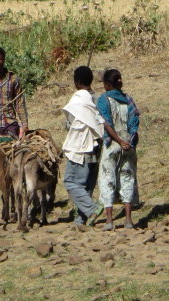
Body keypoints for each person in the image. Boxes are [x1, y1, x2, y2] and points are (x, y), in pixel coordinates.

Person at [96, 69, 140, 231]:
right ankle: (128, 220)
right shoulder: (128, 100)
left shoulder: (103, 100)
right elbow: (134, 122)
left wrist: (119, 141)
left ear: (107, 85)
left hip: (112, 145)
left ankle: (109, 221)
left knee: (107, 180)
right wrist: (128, 141)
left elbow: (106, 124)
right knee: (127, 179)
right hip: (128, 145)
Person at [62, 66, 105, 230]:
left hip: (80, 147)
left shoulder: (78, 100)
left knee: (71, 183)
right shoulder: (97, 99)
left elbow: (70, 123)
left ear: (77, 82)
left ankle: (93, 209)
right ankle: (81, 221)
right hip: (96, 146)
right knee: (86, 186)